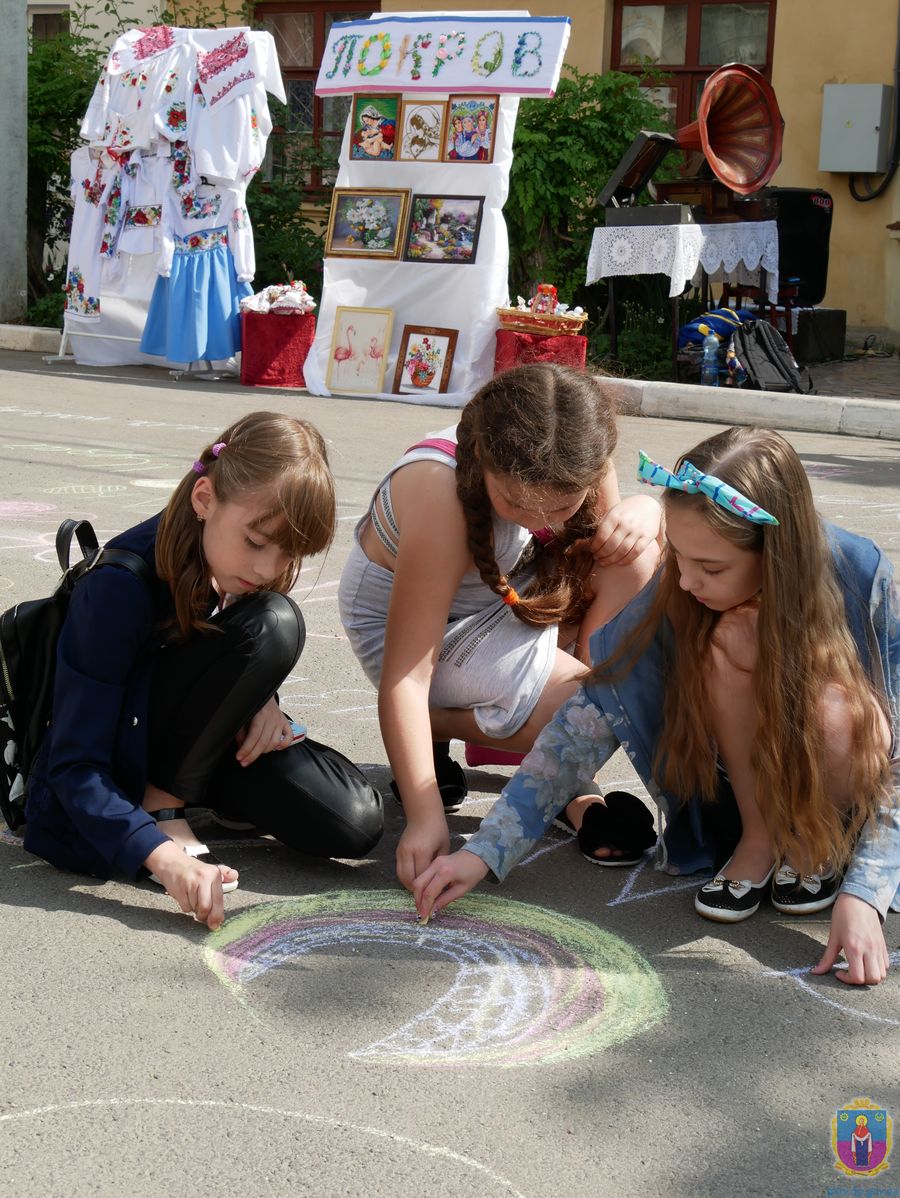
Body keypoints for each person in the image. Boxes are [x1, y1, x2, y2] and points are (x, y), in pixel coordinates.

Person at [413, 426, 899, 987]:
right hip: (744, 794)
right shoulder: (684, 589)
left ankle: (823, 848)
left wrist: (866, 894)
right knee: (730, 640)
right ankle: (761, 839)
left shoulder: (861, 576)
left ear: (776, 552)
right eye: (680, 557)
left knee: (838, 701)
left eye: (710, 568)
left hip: (853, 798)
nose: (686, 581)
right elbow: (586, 721)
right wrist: (483, 851)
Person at [24, 412, 383, 929]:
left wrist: (262, 697)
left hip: (197, 745)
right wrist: (159, 856)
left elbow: (220, 651)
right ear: (204, 499)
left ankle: (195, 797)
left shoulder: (234, 563)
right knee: (276, 622)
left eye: (288, 554)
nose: (267, 569)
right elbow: (74, 766)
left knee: (355, 821)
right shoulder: (117, 589)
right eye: (257, 542)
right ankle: (160, 809)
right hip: (121, 766)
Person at [338, 363, 662, 892]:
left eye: (559, 506)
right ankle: (441, 728)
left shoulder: (578, 452)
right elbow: (406, 677)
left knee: (634, 556)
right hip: (425, 630)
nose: (539, 518)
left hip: (503, 596)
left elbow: (607, 557)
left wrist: (648, 510)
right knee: (587, 708)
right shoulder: (442, 495)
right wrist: (424, 818)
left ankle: (564, 777)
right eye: (515, 503)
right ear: (484, 459)